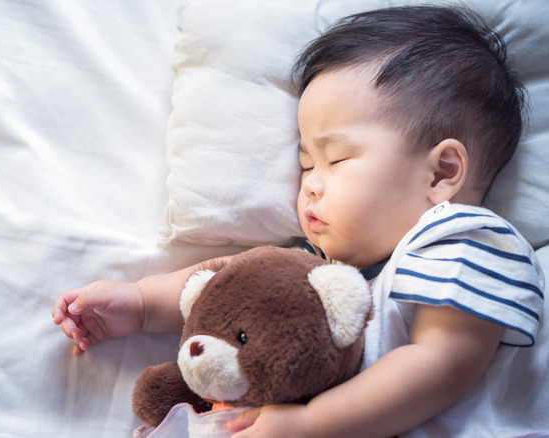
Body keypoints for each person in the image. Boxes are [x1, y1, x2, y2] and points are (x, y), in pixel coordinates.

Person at [52, 5, 546, 437]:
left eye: (336, 159)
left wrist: (313, 424)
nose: (308, 182)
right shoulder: (328, 268)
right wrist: (140, 303)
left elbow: (441, 365)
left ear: (441, 172)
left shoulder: (465, 240)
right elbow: (229, 281)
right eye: (307, 163)